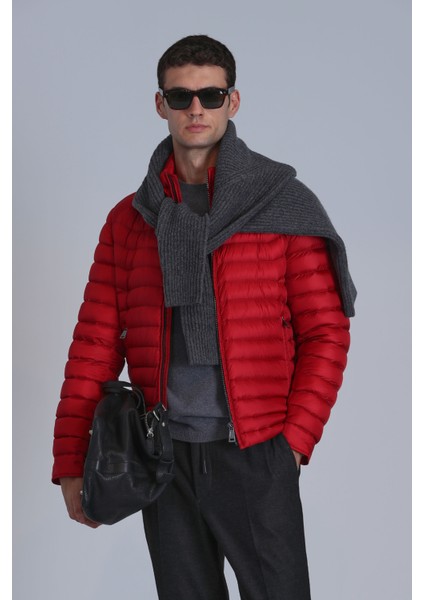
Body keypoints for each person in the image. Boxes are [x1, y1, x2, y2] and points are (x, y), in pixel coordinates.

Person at [52, 34, 356, 600]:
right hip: (162, 454)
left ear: (232, 102)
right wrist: (72, 459)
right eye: (181, 96)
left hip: (256, 451)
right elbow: (94, 343)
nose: (196, 108)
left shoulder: (281, 206)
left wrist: (292, 443)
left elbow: (326, 332)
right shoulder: (131, 220)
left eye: (211, 95)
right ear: (160, 104)